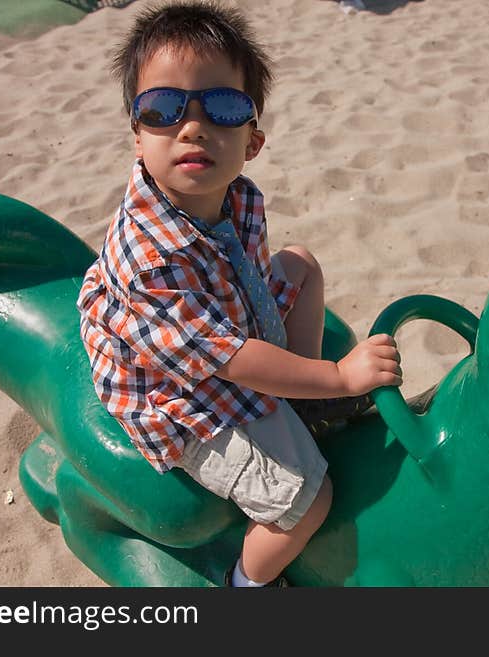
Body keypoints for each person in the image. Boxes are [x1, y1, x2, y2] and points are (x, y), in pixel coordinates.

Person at [76, 1, 402, 587]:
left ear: (252, 140)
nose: (192, 125)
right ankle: (247, 584)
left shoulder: (239, 196)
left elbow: (249, 279)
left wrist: (303, 379)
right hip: (181, 386)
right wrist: (340, 378)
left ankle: (302, 395)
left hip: (226, 314)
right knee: (307, 500)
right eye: (162, 108)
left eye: (222, 107)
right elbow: (229, 360)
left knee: (300, 264)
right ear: (137, 135)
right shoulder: (152, 261)